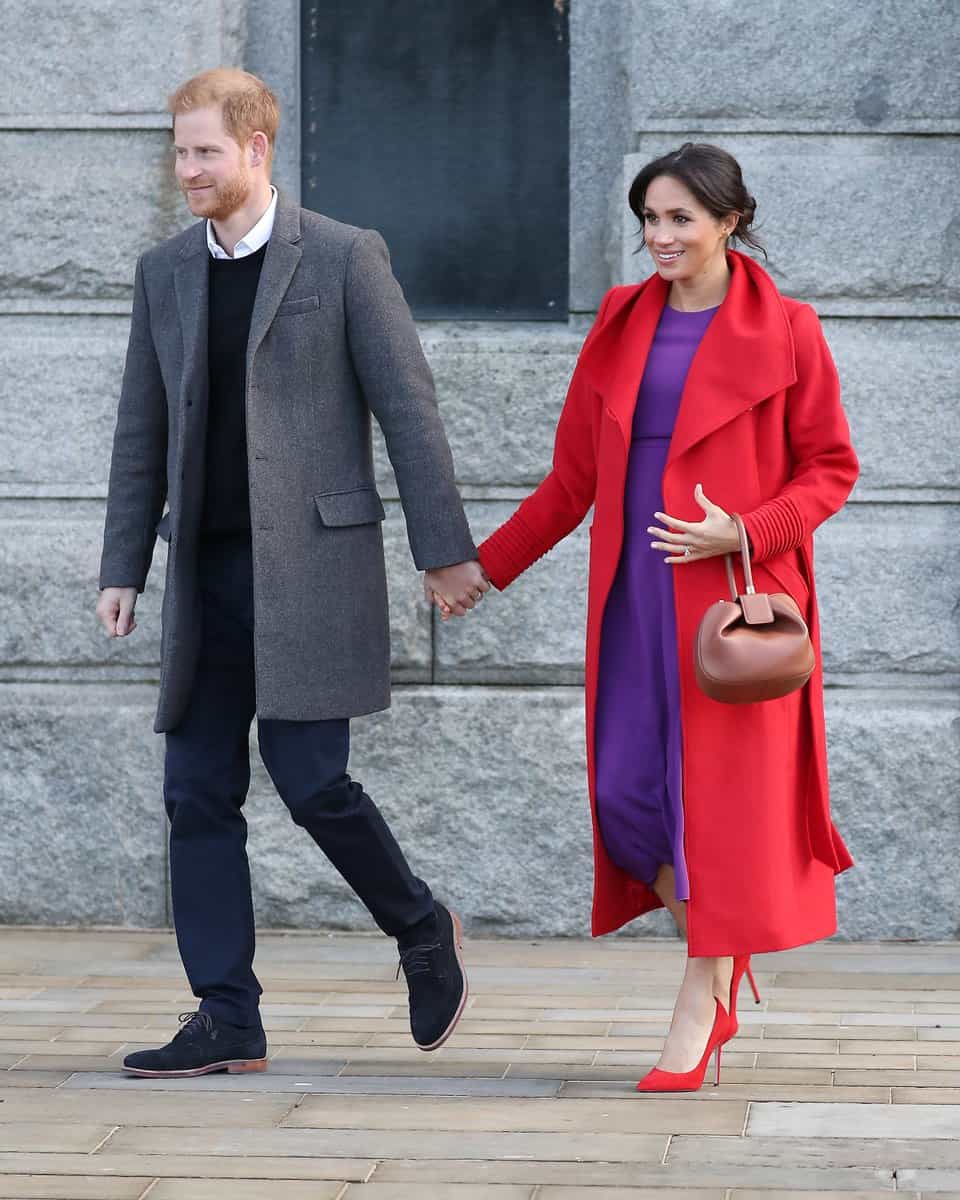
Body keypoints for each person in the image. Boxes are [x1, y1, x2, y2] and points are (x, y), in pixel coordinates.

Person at [96, 68, 489, 1078]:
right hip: (207, 575)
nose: (187, 170)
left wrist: (443, 550)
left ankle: (419, 927)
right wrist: (123, 564)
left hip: (312, 567)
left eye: (204, 153)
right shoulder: (165, 272)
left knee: (314, 782)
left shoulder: (347, 258)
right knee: (195, 791)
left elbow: (409, 407)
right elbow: (141, 427)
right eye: (179, 152)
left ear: (257, 148)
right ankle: (226, 1014)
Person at [441, 143, 859, 1092]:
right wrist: (486, 569)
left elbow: (831, 467)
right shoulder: (623, 320)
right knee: (627, 801)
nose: (659, 238)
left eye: (679, 219)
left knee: (721, 816)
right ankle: (725, 945)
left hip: (735, 611)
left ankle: (699, 997)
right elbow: (577, 478)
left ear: (729, 222)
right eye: (649, 220)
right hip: (633, 599)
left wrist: (744, 532)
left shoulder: (789, 328)